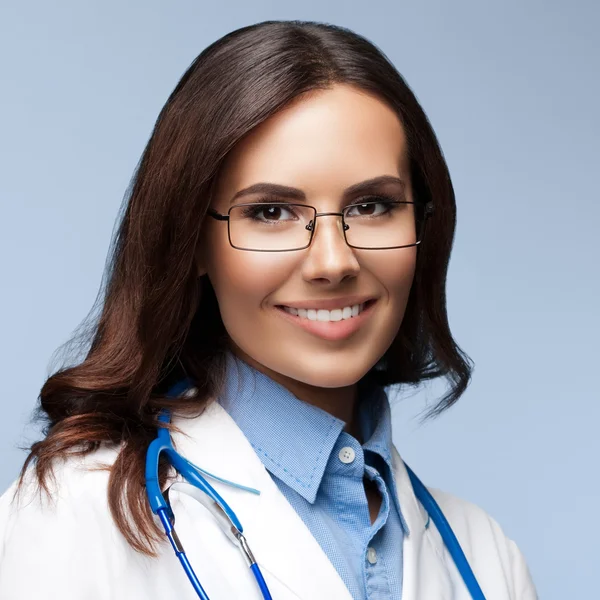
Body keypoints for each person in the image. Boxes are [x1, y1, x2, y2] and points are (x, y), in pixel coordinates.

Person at [0, 19, 538, 600]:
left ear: (423, 226)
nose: (333, 262)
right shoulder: (75, 518)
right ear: (194, 242)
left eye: (372, 205)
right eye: (271, 212)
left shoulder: (484, 559)